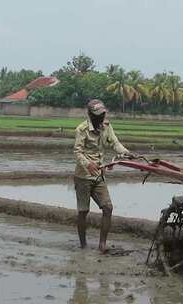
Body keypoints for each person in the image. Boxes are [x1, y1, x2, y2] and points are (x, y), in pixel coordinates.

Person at [73, 99, 134, 253]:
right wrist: (88, 164)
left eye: (103, 115)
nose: (101, 118)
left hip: (99, 175)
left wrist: (126, 153)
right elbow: (78, 152)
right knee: (83, 211)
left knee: (108, 208)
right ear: (90, 114)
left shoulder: (106, 126)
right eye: (98, 115)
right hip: (84, 176)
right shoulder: (82, 129)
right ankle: (83, 245)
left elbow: (115, 143)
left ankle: (102, 245)